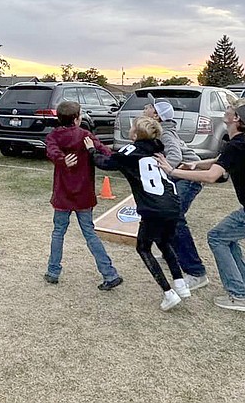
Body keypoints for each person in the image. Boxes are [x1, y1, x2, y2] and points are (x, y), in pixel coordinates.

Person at [160, 102, 245, 313]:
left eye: (230, 110)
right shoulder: (243, 141)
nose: (226, 111)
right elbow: (219, 161)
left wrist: (173, 171)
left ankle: (240, 296)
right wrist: (194, 164)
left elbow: (212, 176)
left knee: (217, 237)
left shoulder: (237, 145)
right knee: (227, 238)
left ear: (236, 119)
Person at [85, 116, 190, 311]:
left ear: (136, 133)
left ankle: (168, 293)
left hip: (153, 207)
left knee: (143, 247)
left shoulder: (130, 151)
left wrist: (91, 150)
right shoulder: (157, 148)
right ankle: (180, 284)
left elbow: (105, 163)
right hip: (173, 204)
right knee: (164, 242)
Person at [43, 100, 122, 291]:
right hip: (84, 195)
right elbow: (106, 152)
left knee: (58, 232)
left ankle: (53, 272)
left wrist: (61, 160)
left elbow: (51, 151)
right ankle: (109, 273)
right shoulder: (86, 136)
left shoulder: (53, 136)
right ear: (77, 119)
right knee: (89, 232)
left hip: (63, 195)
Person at [143, 101, 209, 291]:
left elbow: (175, 156)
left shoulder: (165, 132)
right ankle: (169, 253)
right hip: (180, 176)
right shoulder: (158, 130)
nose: (145, 108)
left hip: (189, 177)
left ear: (156, 116)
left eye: (149, 107)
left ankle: (196, 272)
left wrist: (164, 171)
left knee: (175, 217)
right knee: (167, 216)